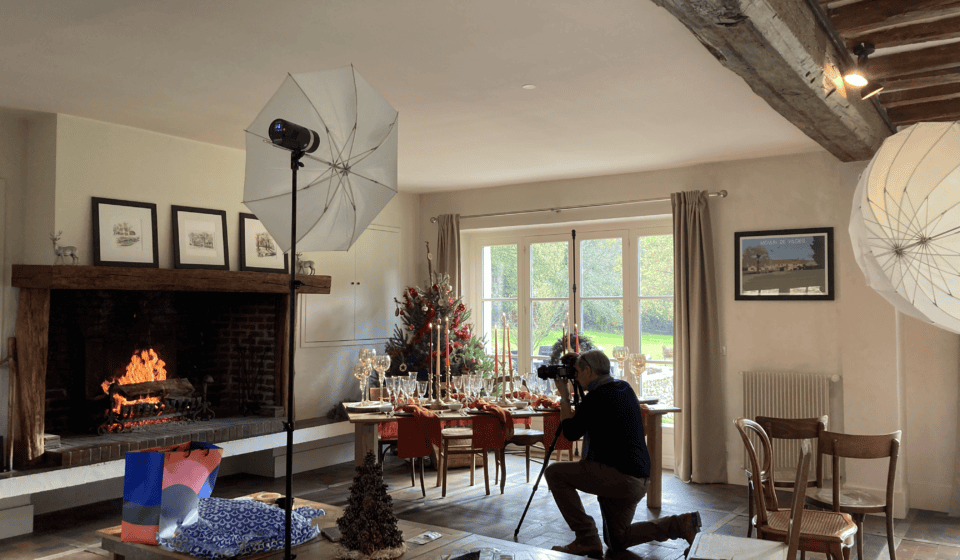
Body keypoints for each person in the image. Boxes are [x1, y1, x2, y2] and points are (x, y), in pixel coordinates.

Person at [545, 350, 701, 558]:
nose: (575, 376)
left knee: (554, 473)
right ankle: (681, 524)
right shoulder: (625, 388)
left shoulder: (597, 396)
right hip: (640, 478)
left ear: (588, 370)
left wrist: (564, 397)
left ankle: (586, 537)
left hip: (620, 478)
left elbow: (571, 432)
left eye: (577, 371)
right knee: (617, 541)